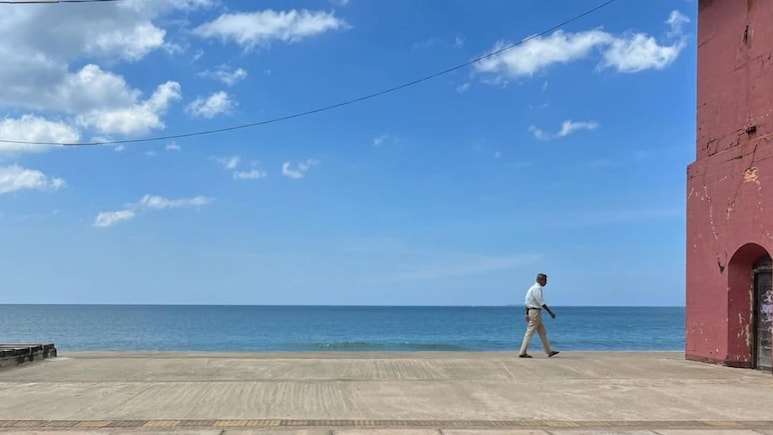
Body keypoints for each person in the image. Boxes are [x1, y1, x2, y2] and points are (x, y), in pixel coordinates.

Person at [518, 273, 559, 358]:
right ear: (540, 280)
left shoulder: (532, 288)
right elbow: (541, 302)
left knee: (542, 332)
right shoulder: (536, 289)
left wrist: (527, 314)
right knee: (529, 332)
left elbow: (527, 302)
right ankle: (522, 352)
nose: (546, 282)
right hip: (535, 312)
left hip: (534, 312)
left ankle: (549, 351)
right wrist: (550, 312)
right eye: (545, 280)